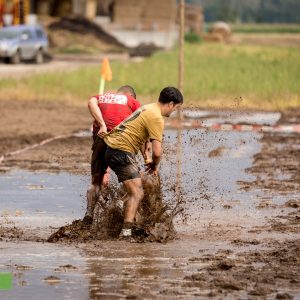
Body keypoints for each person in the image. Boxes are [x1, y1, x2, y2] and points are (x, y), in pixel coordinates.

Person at [103, 86, 183, 240]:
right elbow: (158, 152)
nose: (173, 112)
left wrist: (147, 160)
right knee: (137, 192)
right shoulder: (157, 118)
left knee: (137, 183)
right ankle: (125, 233)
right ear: (171, 104)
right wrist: (154, 164)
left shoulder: (148, 108)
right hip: (120, 152)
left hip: (113, 149)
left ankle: (119, 205)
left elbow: (138, 134)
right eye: (176, 108)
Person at [83, 85, 142, 225]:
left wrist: (102, 124)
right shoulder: (131, 101)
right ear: (131, 96)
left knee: (96, 181)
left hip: (101, 140)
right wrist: (146, 154)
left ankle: (89, 213)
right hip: (120, 142)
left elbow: (91, 102)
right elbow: (141, 125)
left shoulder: (102, 97)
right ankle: (122, 205)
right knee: (130, 180)